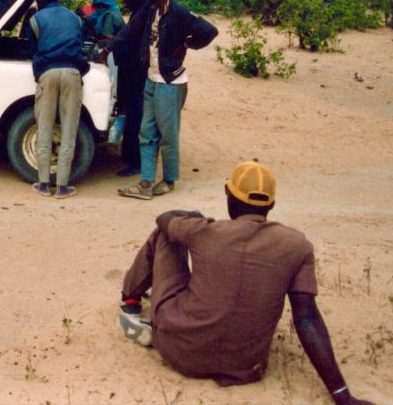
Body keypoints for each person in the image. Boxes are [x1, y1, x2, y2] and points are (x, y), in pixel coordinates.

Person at [117, 162, 375, 405]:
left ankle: (130, 300)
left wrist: (191, 216)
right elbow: (306, 318)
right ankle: (139, 303)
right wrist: (342, 394)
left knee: (166, 236)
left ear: (229, 196)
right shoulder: (297, 246)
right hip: (244, 367)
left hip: (180, 351)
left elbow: (163, 218)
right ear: (271, 204)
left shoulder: (206, 231)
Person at [105, 0, 218, 199]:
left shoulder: (180, 13)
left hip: (170, 82)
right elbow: (130, 31)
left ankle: (168, 180)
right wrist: (108, 49)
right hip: (152, 79)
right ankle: (146, 183)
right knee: (146, 133)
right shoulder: (149, 11)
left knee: (167, 134)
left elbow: (209, 31)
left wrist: (187, 44)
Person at [26, 0, 89, 199]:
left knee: (44, 127)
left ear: (39, 1)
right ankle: (63, 186)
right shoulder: (75, 18)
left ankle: (43, 184)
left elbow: (32, 51)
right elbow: (82, 46)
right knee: (69, 130)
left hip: (48, 74)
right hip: (72, 74)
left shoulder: (35, 19)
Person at [112, 0, 147, 177]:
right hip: (133, 73)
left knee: (135, 118)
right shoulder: (139, 12)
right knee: (132, 115)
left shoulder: (140, 14)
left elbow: (132, 45)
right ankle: (129, 157)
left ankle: (136, 162)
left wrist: (115, 47)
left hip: (136, 74)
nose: (124, 0)